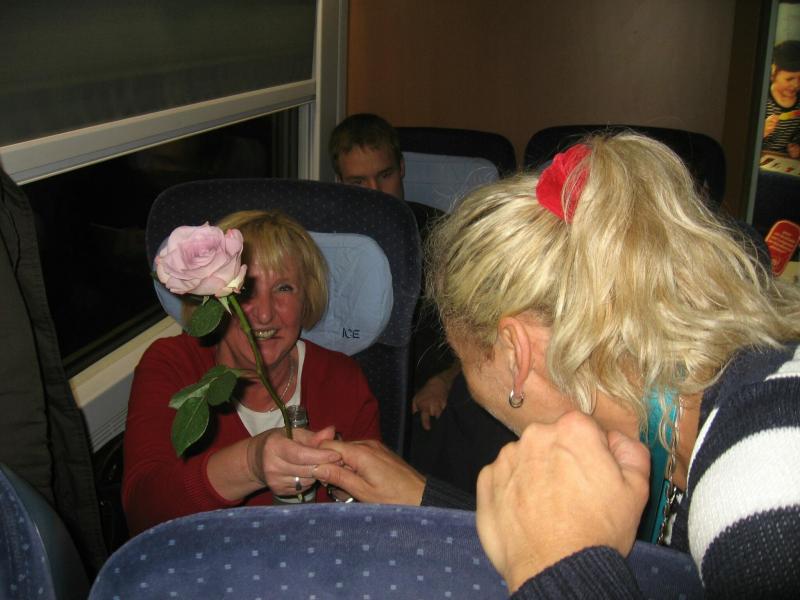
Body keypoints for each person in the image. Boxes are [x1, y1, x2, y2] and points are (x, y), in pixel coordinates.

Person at [313, 132, 800, 597]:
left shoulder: (765, 483)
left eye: (465, 361)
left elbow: (564, 565)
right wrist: (425, 499)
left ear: (517, 352)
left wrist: (551, 569)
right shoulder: (686, 418)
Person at [123, 209, 381, 535]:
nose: (265, 314)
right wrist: (251, 463)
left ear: (306, 298)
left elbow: (374, 523)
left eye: (284, 288)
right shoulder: (171, 364)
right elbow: (142, 513)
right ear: (211, 300)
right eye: (245, 291)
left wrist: (345, 488)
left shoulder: (343, 378)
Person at [329, 113, 516, 492]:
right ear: (340, 185)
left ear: (401, 168)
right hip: (352, 386)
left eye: (384, 175)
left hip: (435, 389)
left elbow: (487, 331)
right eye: (358, 182)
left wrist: (445, 379)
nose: (376, 191)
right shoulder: (327, 243)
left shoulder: (443, 237)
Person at [763, 40, 800, 157]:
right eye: (789, 79)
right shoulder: (763, 100)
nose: (796, 85)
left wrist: (797, 146)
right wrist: (762, 131)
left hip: (786, 159)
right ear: (773, 73)